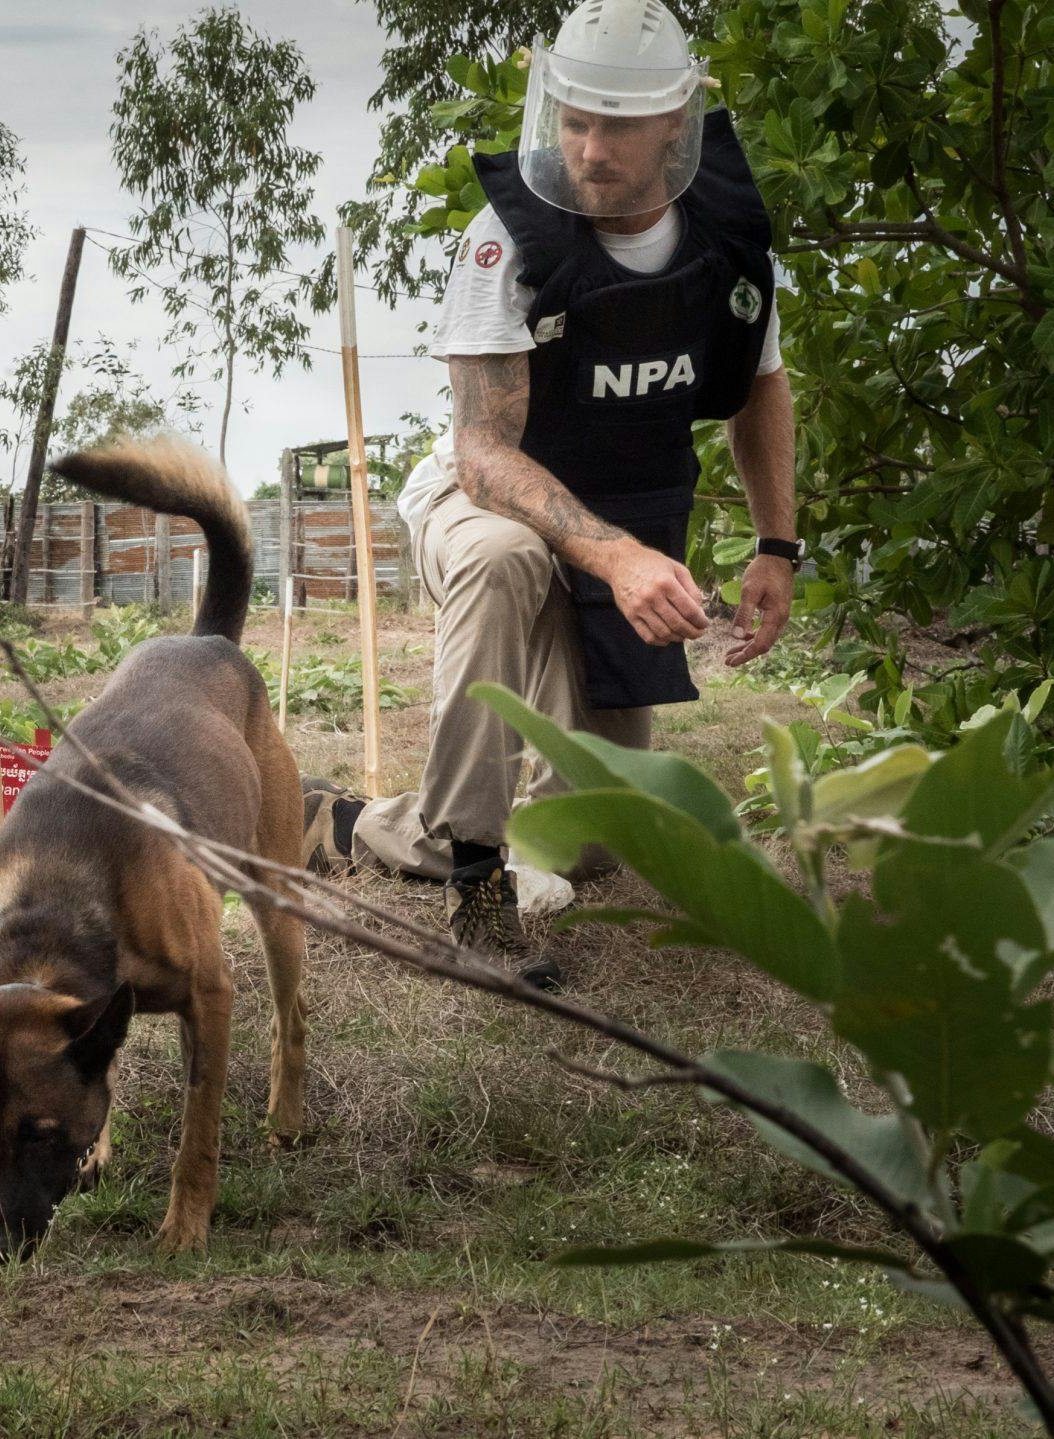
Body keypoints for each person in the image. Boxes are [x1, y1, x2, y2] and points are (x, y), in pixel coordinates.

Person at [339, 0, 802, 989]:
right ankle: (474, 888)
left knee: (586, 841)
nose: (589, 151)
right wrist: (619, 556)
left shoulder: (727, 240)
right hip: (487, 505)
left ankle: (346, 824)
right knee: (505, 556)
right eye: (574, 121)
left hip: (619, 518)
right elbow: (482, 455)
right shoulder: (508, 241)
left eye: (617, 127)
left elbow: (760, 385)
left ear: (676, 120)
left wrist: (777, 544)